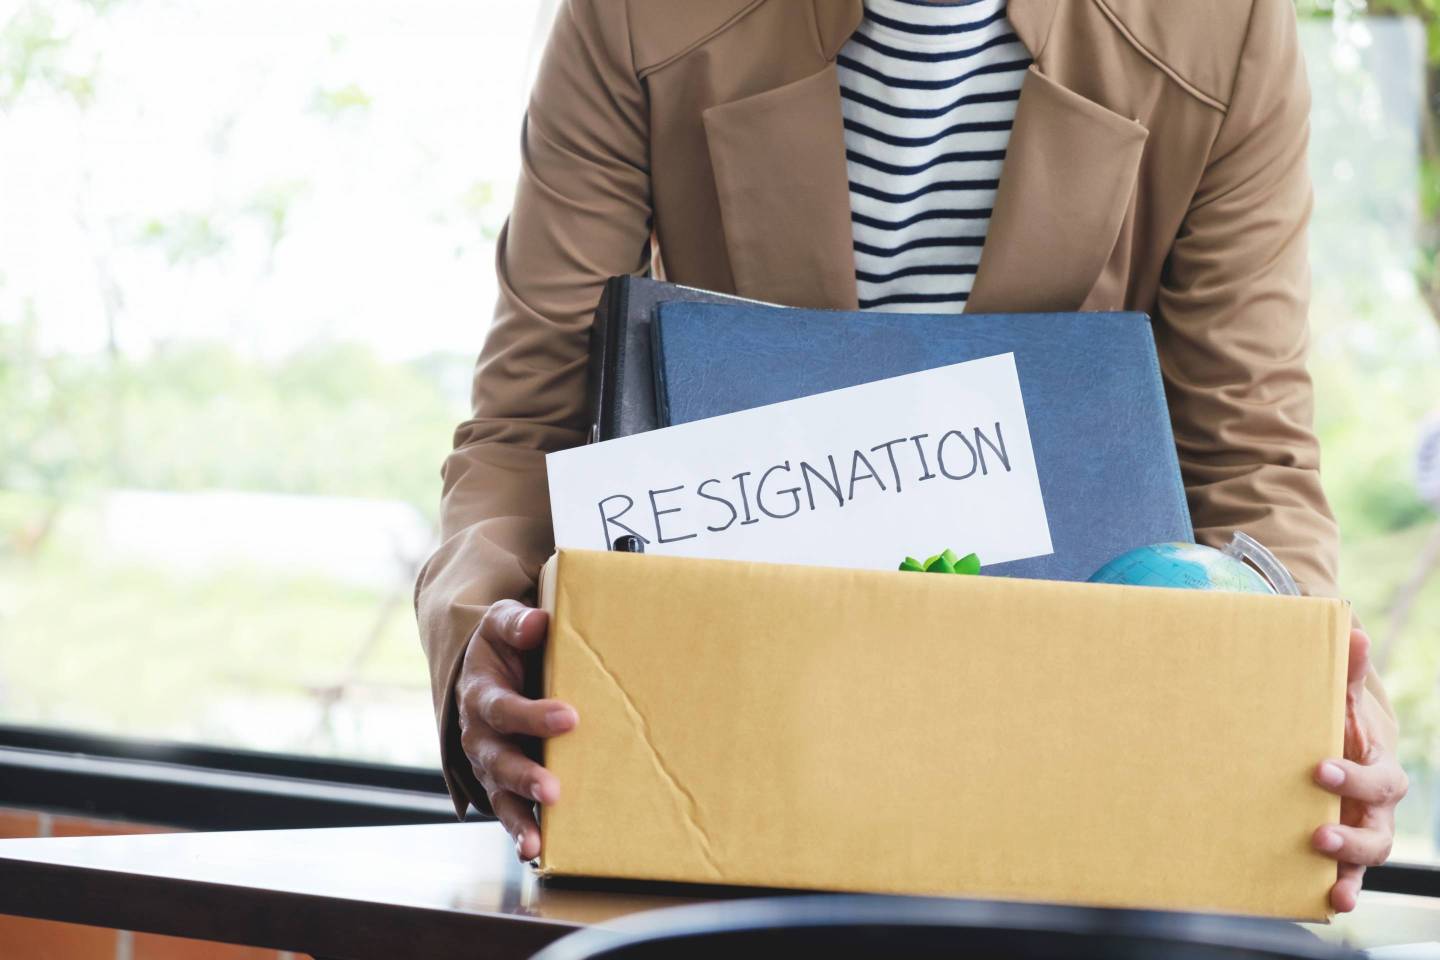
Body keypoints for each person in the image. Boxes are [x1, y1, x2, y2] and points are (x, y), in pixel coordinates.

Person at [414, 0, 1407, 912]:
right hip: (726, 758)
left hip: (1075, 786)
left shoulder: (1221, 27)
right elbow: (525, 426)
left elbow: (1249, 455)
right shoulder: (636, 14)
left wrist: (1318, 701)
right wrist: (480, 648)